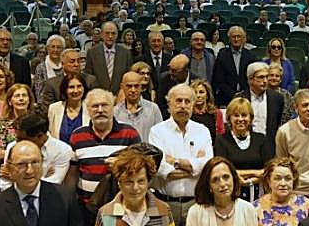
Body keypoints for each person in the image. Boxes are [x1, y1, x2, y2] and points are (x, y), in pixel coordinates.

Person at [67, 89, 140, 215]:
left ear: (113, 107)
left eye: (105, 105)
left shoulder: (129, 133)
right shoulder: (77, 135)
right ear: (88, 110)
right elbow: (73, 173)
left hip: (119, 207)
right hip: (85, 208)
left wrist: (121, 165)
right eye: (95, 106)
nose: (100, 110)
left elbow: (141, 169)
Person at [149, 83, 213, 216]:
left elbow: (207, 166)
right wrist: (194, 169)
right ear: (169, 104)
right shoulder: (157, 131)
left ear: (193, 105)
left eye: (187, 101)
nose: (183, 105)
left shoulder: (202, 131)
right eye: (178, 101)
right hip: (165, 203)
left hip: (196, 204)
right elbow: (159, 168)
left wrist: (174, 161)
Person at [215, 98, 274, 189]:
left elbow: (269, 169)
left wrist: (249, 181)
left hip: (259, 190)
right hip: (230, 190)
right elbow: (222, 170)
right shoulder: (221, 140)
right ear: (229, 118)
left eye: (244, 115)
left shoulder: (261, 139)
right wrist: (255, 173)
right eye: (236, 115)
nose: (240, 119)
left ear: (250, 118)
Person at [86, 22, 134, 94]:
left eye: (113, 33)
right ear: (101, 35)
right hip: (99, 96)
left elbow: (128, 76)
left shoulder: (125, 53)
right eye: (107, 33)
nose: (110, 36)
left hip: (120, 96)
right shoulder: (92, 52)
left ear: (117, 35)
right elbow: (89, 76)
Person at [48, 73, 89, 143]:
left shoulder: (91, 108)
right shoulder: (54, 108)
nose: (76, 91)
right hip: (60, 152)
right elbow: (50, 136)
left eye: (79, 86)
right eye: (71, 87)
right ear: (65, 89)